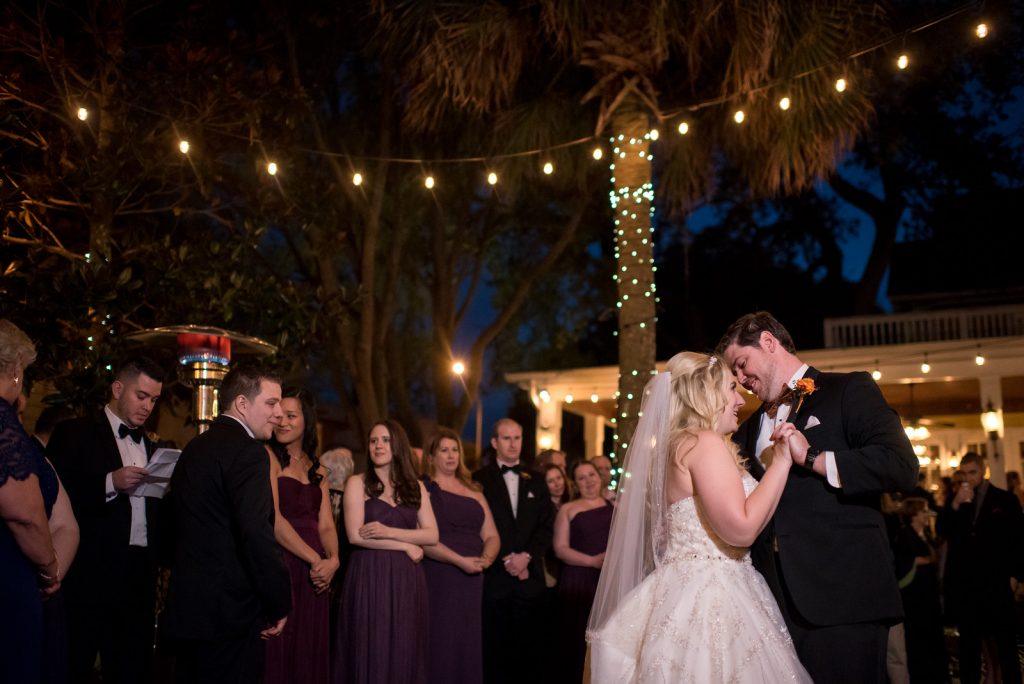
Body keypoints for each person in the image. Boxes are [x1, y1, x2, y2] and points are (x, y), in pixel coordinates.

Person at [718, 311, 918, 682]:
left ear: (768, 342)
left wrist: (814, 459)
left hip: (845, 597)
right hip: (771, 607)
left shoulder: (849, 390)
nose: (741, 380)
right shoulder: (743, 432)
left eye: (742, 365)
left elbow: (901, 466)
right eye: (735, 375)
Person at [588, 352, 810, 682]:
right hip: (711, 596)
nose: (740, 400)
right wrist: (781, 463)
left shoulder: (675, 446)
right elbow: (741, 531)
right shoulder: (702, 442)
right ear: (705, 393)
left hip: (680, 588)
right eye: (731, 388)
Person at [163, 365, 291, 684]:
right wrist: (278, 602)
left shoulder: (194, 447)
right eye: (271, 403)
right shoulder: (250, 453)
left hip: (188, 610)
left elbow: (171, 523)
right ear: (242, 404)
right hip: (230, 615)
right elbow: (256, 532)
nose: (279, 413)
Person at [48, 354, 168, 684]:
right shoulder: (74, 433)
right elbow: (53, 498)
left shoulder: (153, 446)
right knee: (75, 663)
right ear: (117, 389)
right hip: (90, 574)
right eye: (141, 396)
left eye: (154, 399)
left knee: (132, 668)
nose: (148, 406)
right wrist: (110, 482)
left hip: (139, 576)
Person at [335, 419, 438, 684]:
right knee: (371, 646)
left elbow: (432, 535)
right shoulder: (357, 483)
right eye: (373, 441)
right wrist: (405, 545)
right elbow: (355, 536)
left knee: (405, 647)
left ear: (398, 445)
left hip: (407, 580)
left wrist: (389, 532)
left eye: (385, 440)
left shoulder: (416, 487)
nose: (378, 446)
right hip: (369, 575)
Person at [0, 320, 62, 683]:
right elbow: (24, 515)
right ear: (15, 368)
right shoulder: (2, 423)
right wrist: (49, 568)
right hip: (8, 579)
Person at [264, 388, 338, 684]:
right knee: (280, 647)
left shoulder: (318, 469)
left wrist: (333, 561)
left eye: (291, 415)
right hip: (282, 562)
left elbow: (327, 526)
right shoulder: (267, 456)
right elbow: (274, 519)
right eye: (279, 415)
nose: (282, 421)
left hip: (316, 577)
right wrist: (316, 560)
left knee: (309, 648)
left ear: (306, 420)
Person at [473, 418, 554, 684]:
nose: (513, 444)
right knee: (495, 652)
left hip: (530, 580)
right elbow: (477, 526)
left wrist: (525, 556)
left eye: (517, 438)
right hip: (494, 578)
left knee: (530, 653)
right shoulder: (478, 480)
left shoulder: (537, 480)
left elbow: (546, 526)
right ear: (494, 442)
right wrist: (506, 557)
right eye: (506, 438)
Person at [422, 427, 500, 684]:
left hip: (473, 576)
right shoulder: (423, 488)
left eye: (454, 450)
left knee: (467, 640)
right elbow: (423, 539)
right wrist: (459, 561)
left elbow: (492, 535)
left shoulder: (474, 490)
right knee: (441, 639)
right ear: (431, 457)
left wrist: (486, 559)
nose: (451, 455)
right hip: (440, 573)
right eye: (444, 450)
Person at [941, 452, 1024, 684]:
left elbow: (1019, 539)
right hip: (967, 587)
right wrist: (955, 504)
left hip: (997, 583)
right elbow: (943, 531)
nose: (968, 478)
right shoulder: (956, 500)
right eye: (964, 473)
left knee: (1006, 646)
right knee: (969, 648)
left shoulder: (1005, 499)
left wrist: (1015, 575)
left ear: (983, 471)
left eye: (972, 472)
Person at [553, 460, 612, 684]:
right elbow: (560, 549)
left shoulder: (614, 506)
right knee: (577, 639)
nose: (588, 481)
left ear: (599, 477)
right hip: (579, 579)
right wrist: (591, 561)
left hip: (607, 579)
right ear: (576, 484)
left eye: (591, 475)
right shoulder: (568, 509)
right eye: (581, 478)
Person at [893, 498, 949, 683]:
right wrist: (920, 561)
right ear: (915, 514)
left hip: (928, 595)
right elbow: (900, 562)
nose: (927, 514)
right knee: (918, 637)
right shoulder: (905, 535)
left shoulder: (925, 534)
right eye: (924, 511)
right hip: (915, 597)